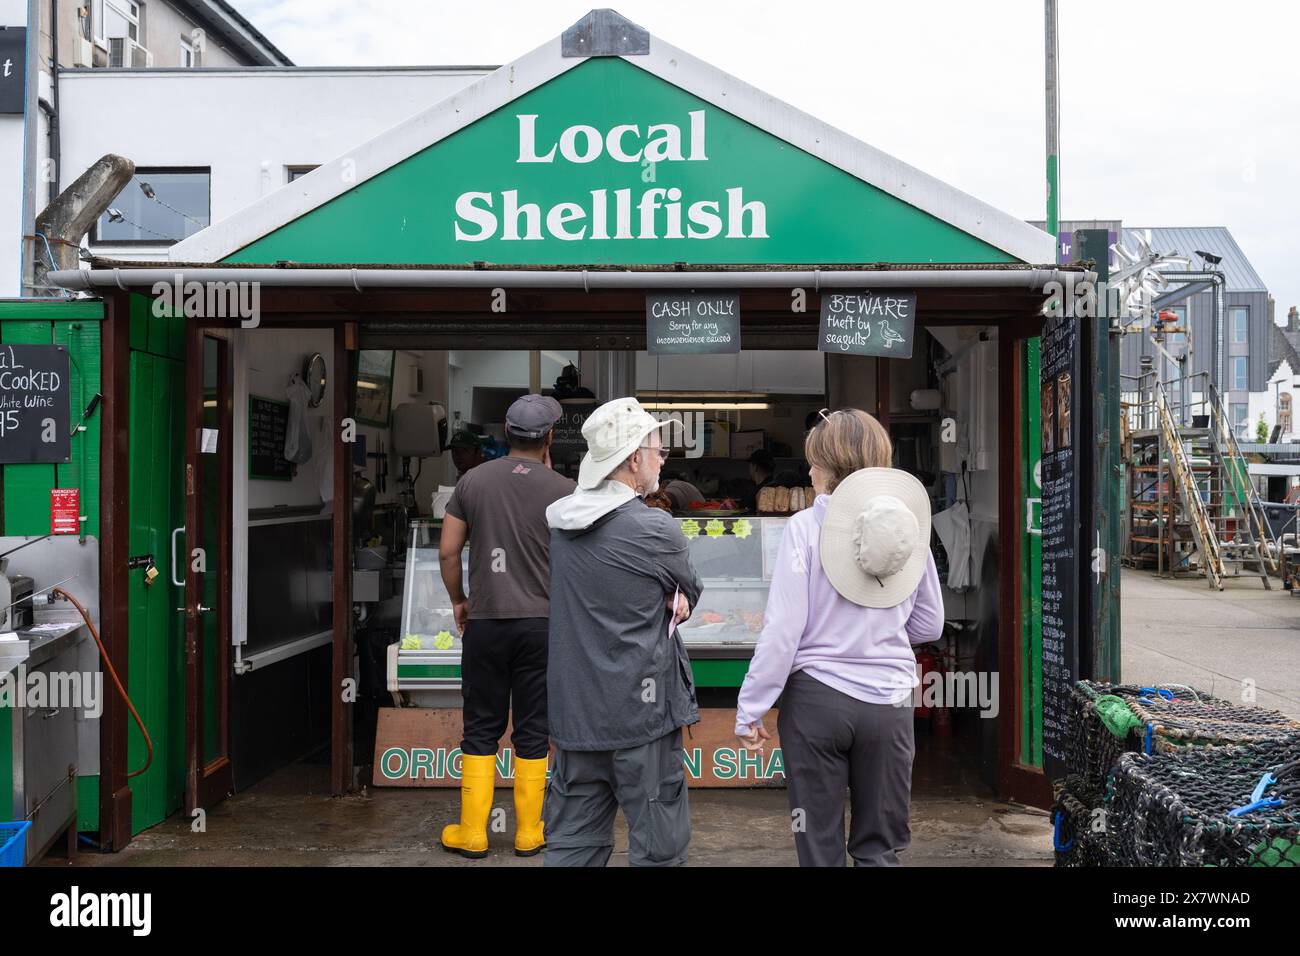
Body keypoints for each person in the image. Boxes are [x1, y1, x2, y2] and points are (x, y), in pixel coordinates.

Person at [733, 408, 943, 866]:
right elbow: (930, 624)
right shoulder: (909, 528)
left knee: (818, 846)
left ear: (832, 467)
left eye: (815, 462)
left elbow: (783, 631)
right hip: (890, 703)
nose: (808, 471)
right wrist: (880, 632)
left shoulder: (805, 528)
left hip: (816, 704)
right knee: (879, 847)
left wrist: (752, 707)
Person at [543, 397, 704, 867]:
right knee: (659, 849)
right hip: (642, 720)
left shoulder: (560, 524)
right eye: (658, 451)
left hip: (575, 720)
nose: (660, 461)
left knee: (573, 847)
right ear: (634, 459)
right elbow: (690, 589)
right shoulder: (655, 529)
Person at [437, 395, 575, 858]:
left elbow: (448, 552)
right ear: (549, 437)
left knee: (480, 726)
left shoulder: (472, 481)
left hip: (487, 623)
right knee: (533, 729)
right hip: (542, 626)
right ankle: (529, 832)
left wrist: (459, 600)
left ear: (505, 435)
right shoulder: (564, 489)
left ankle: (473, 832)